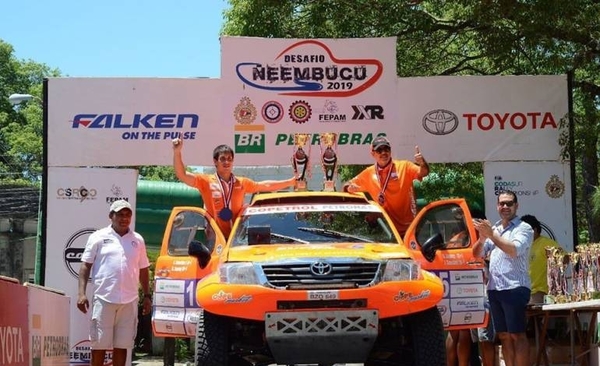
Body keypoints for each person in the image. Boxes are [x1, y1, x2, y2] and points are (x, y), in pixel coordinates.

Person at [172, 138, 297, 239]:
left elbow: (265, 185)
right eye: (223, 159)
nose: (227, 162)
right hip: (214, 238)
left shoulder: (241, 182)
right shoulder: (205, 181)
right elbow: (182, 175)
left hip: (237, 238)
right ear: (215, 161)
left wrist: (290, 182)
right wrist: (177, 153)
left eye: (229, 159)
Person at [76, 200, 151, 366]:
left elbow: (144, 269)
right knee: (99, 345)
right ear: (111, 216)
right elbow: (85, 266)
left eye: (128, 215)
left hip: (129, 300)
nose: (124, 218)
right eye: (120, 215)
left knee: (122, 346)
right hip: (104, 299)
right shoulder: (98, 237)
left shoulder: (137, 240)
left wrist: (146, 295)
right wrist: (81, 293)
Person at [472, 190, 533, 366]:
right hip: (494, 289)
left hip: (514, 287)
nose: (505, 206)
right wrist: (482, 239)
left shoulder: (524, 228)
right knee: (504, 336)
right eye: (502, 203)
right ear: (497, 206)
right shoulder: (496, 228)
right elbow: (477, 254)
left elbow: (514, 250)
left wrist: (491, 235)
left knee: (517, 334)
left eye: (509, 203)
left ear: (516, 206)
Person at [342, 136, 429, 236]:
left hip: (408, 230)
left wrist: (422, 163)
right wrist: (349, 188)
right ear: (373, 153)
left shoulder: (405, 166)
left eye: (386, 149)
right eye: (379, 150)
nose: (384, 153)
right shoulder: (369, 173)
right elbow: (347, 185)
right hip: (386, 232)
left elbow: (424, 172)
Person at [520, 214, 561, 304]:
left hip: (541, 291)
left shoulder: (546, 243)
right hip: (523, 290)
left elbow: (564, 258)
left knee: (524, 308)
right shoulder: (521, 246)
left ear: (534, 230)